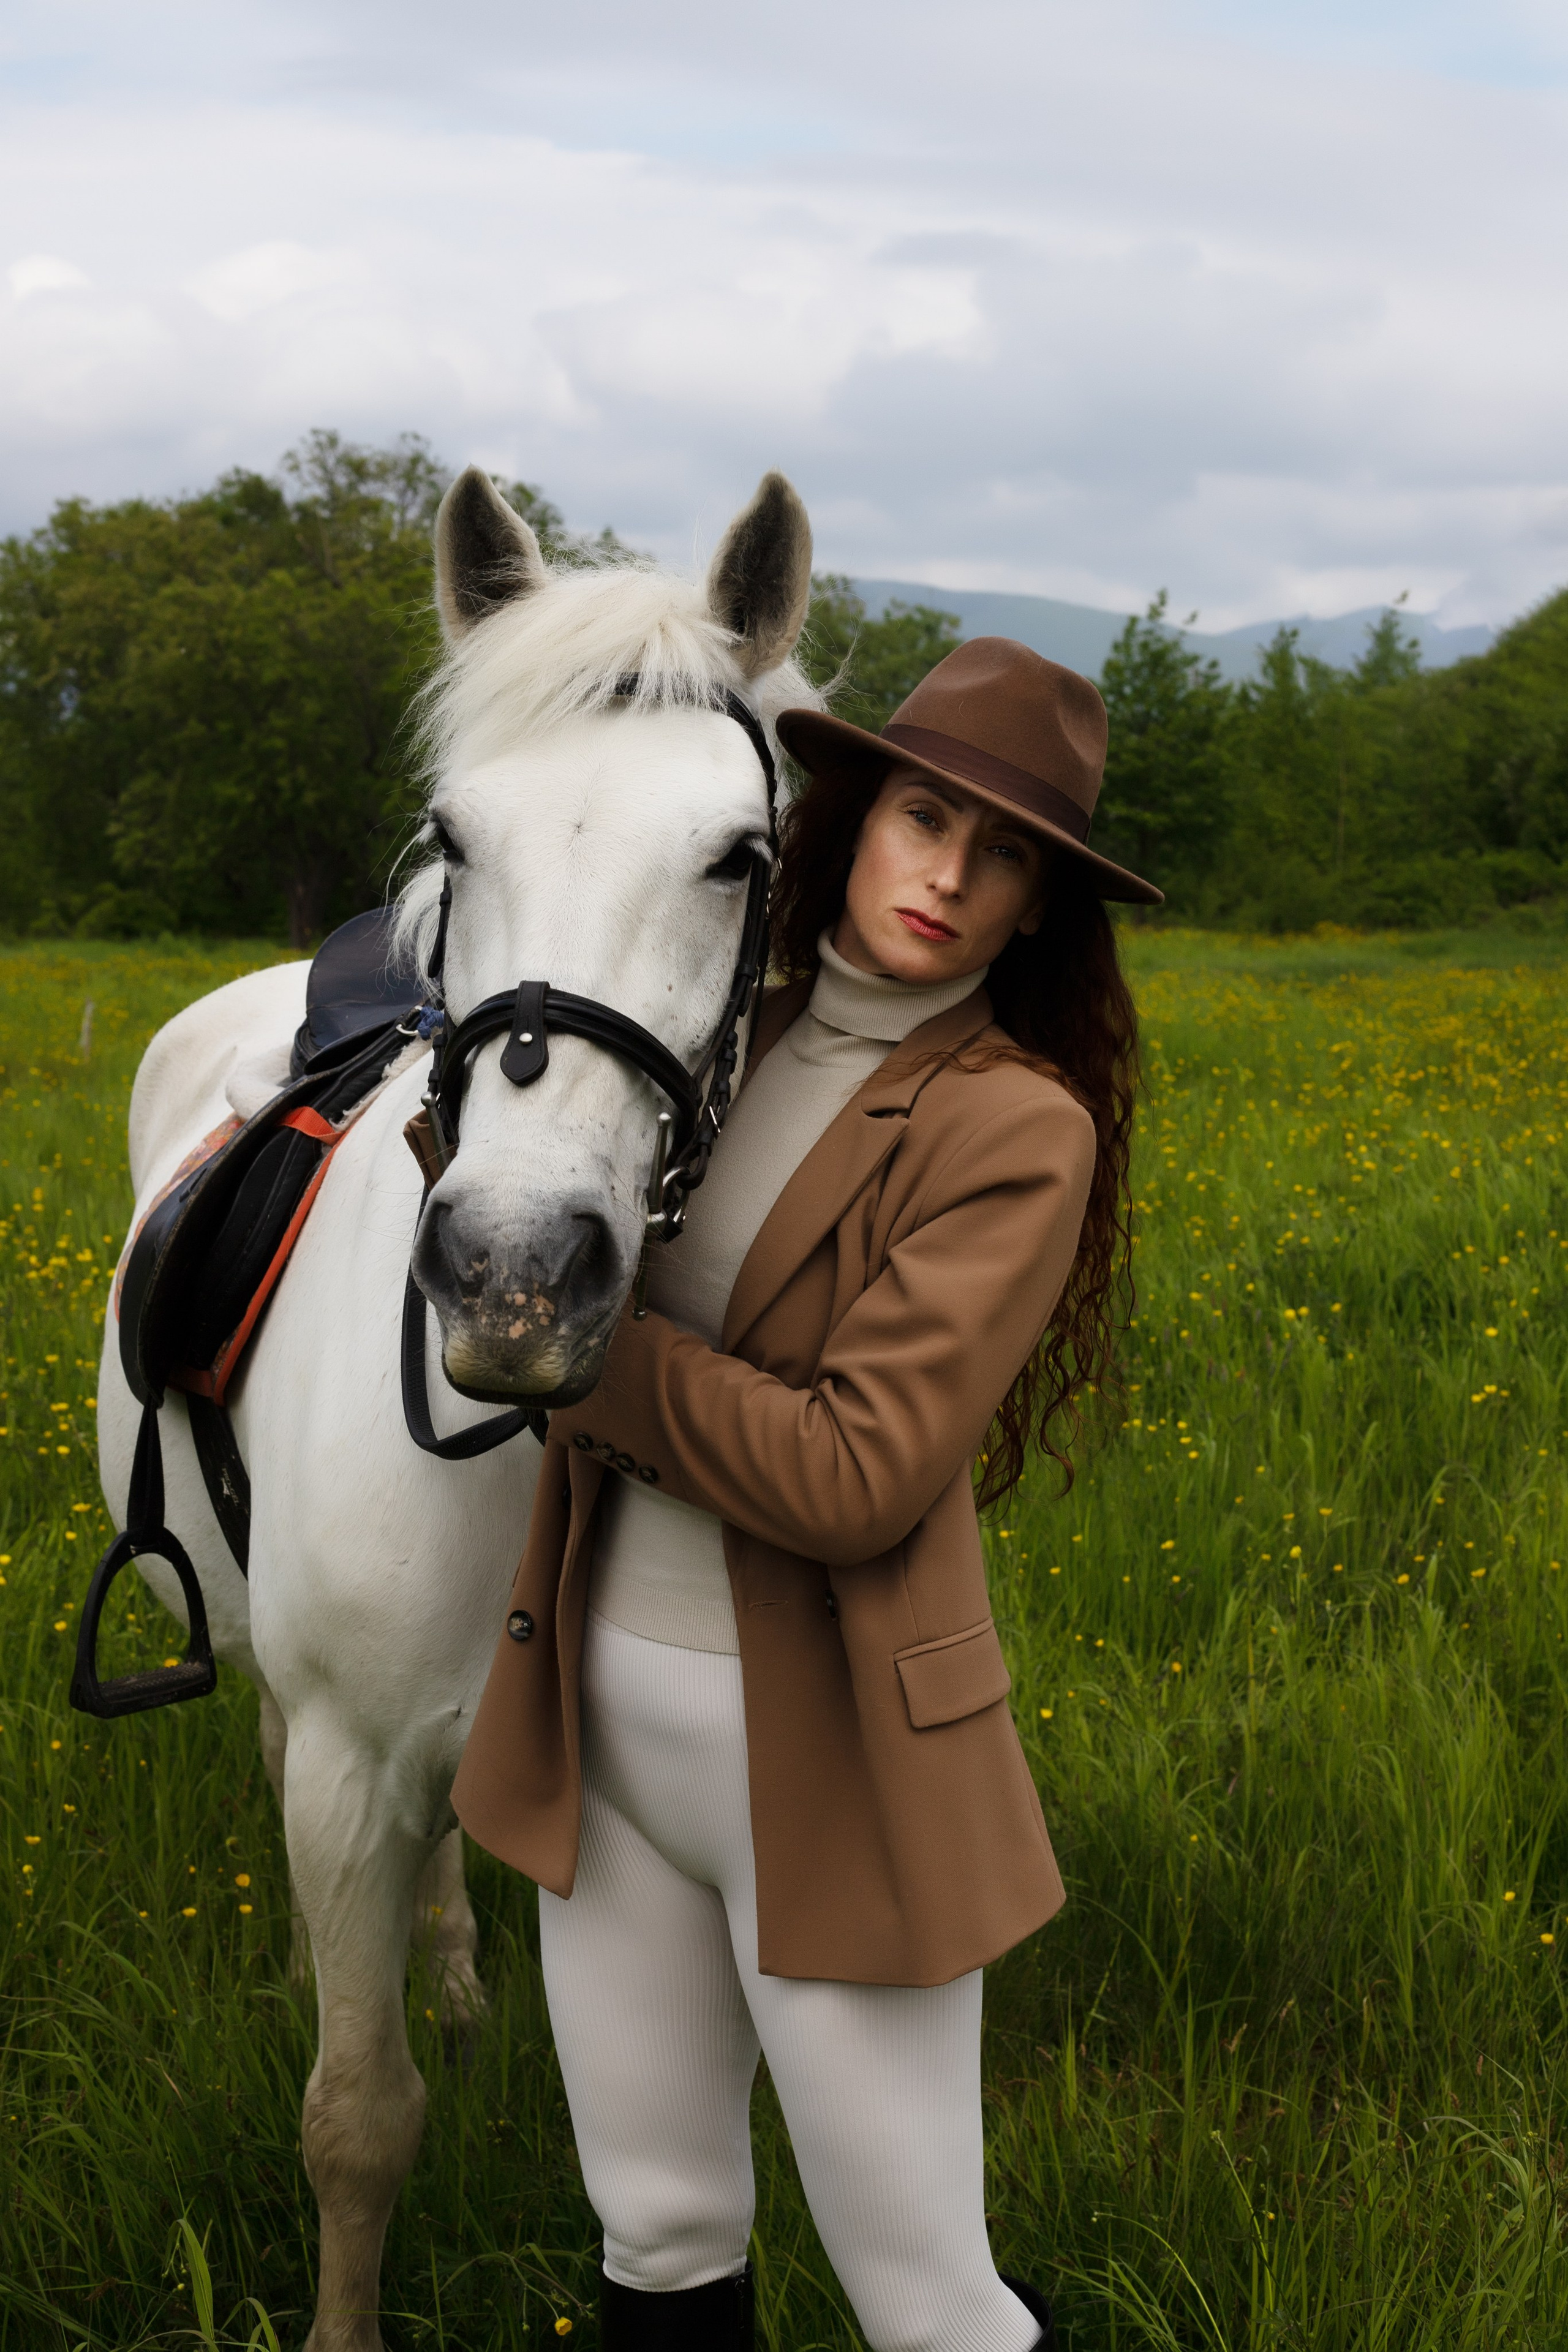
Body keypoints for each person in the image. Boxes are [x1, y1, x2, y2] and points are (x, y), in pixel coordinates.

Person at [452, 637, 1162, 2352]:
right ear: (849, 818)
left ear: (1037, 910)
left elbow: (855, 1477)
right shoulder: (712, 1037)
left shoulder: (1013, 1127)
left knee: (924, 2301)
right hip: (598, 1733)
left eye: (1007, 859)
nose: (952, 876)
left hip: (833, 1762)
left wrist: (570, 1336)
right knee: (663, 2235)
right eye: (927, 817)